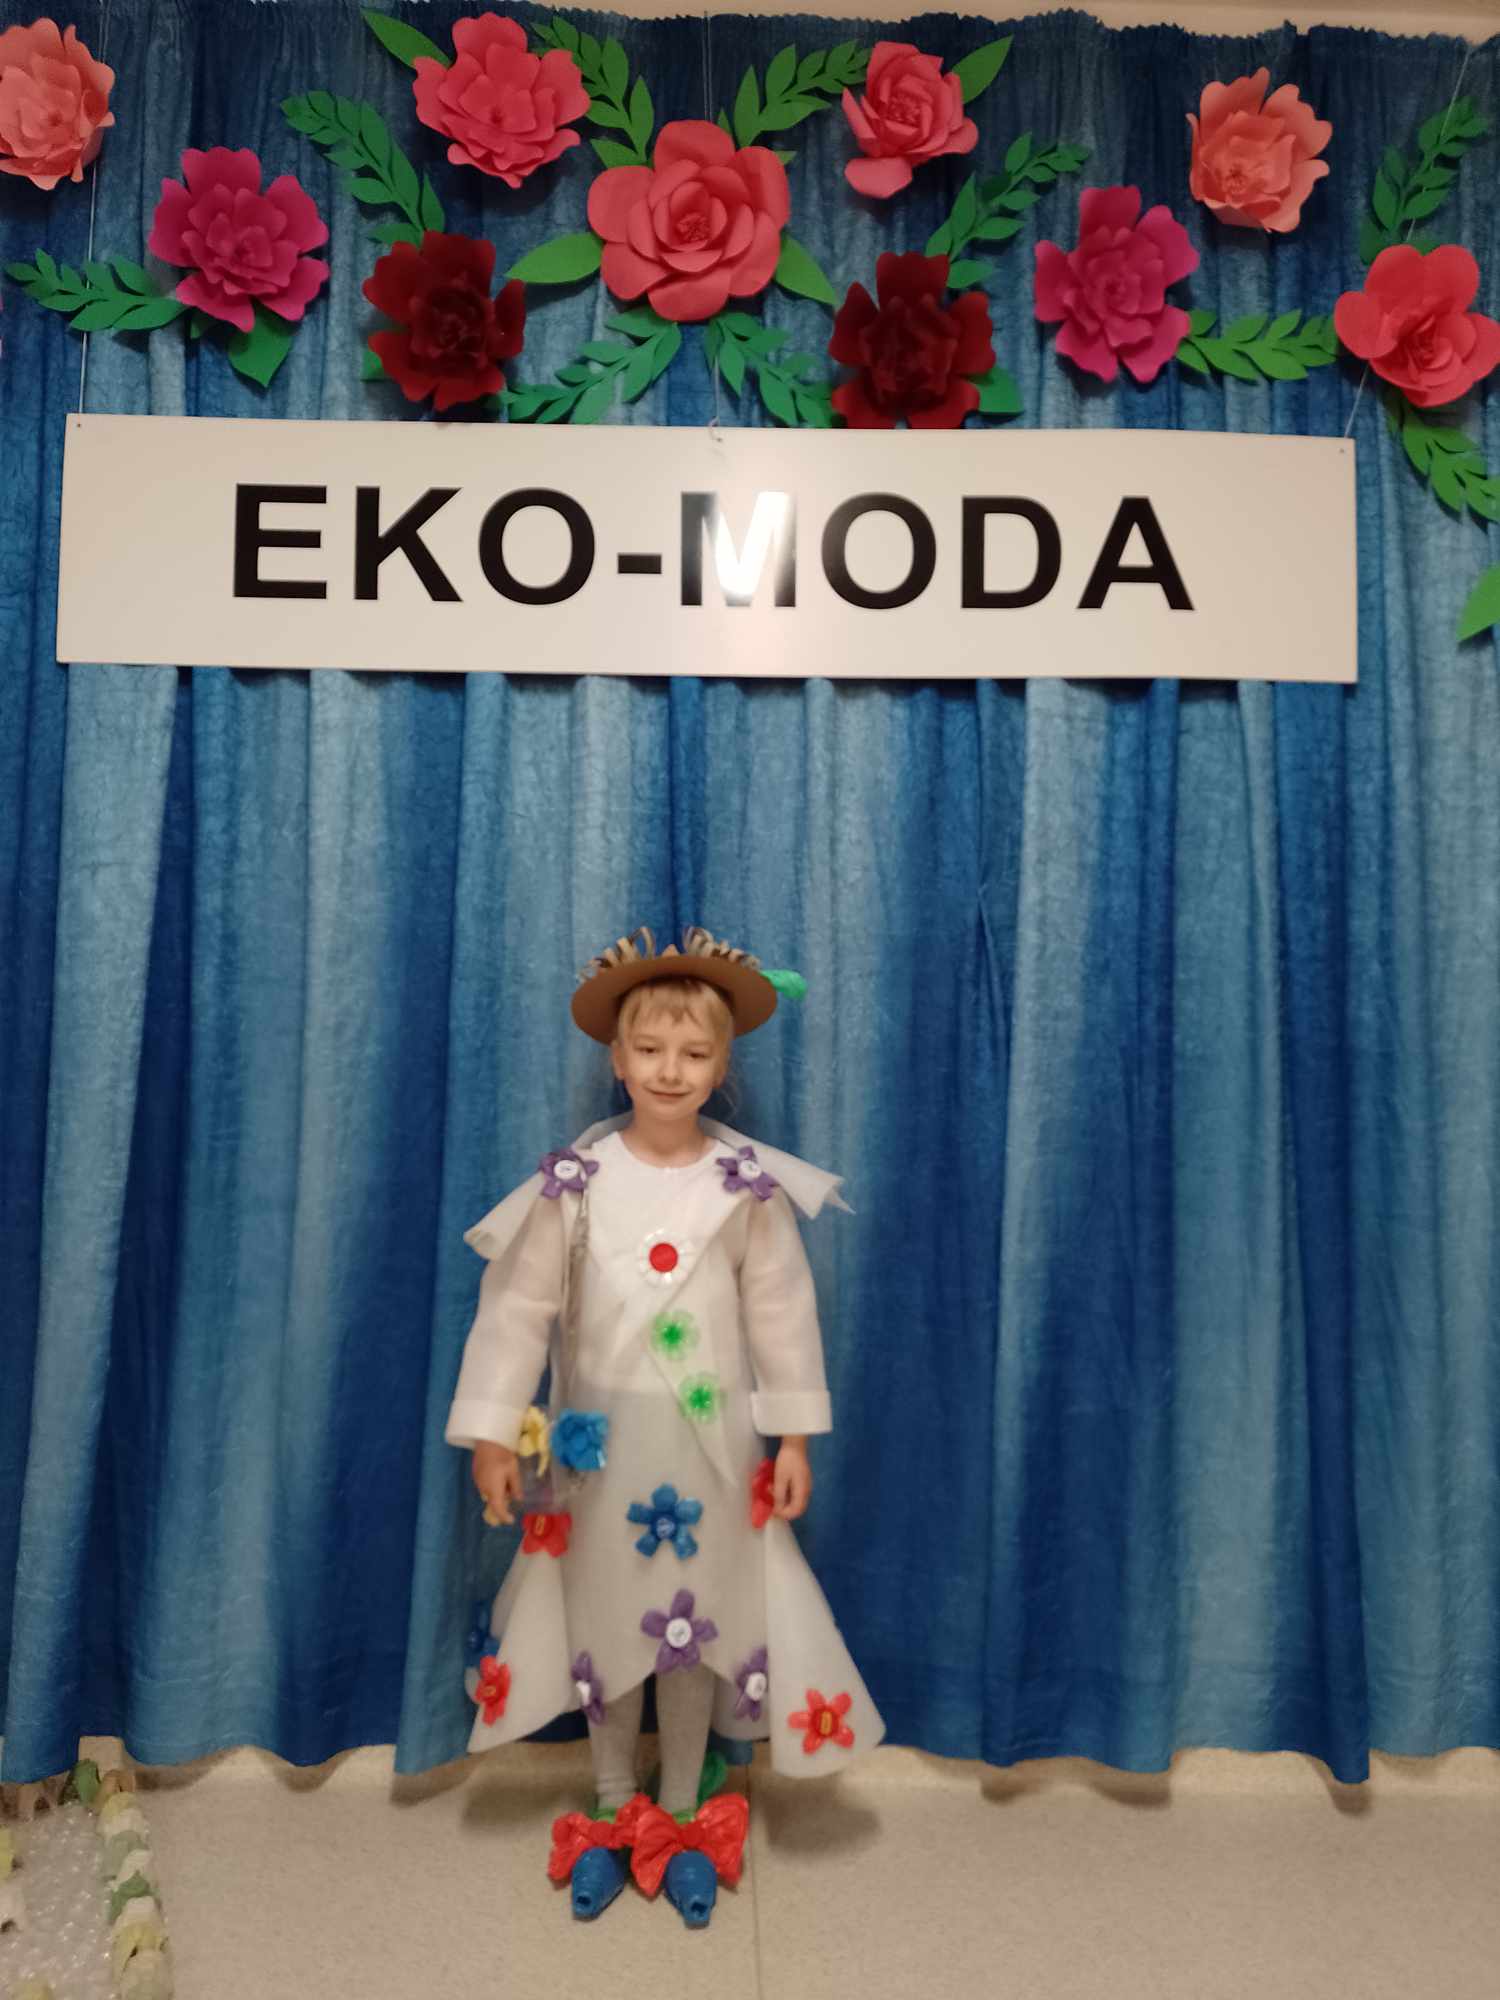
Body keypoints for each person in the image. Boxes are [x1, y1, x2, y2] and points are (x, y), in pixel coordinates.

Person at [445, 925, 884, 1927]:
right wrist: (491, 1431)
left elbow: (781, 1314)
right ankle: (612, 1806)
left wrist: (794, 1439)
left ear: (722, 1068)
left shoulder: (745, 1186)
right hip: (599, 1456)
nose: (670, 1070)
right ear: (617, 1057)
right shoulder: (574, 1182)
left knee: (695, 1627)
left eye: (693, 1053)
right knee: (608, 1624)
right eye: (650, 1049)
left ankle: (682, 1811)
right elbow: (518, 1310)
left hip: (712, 1455)